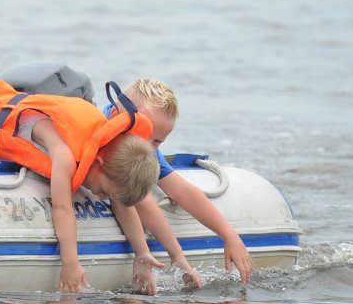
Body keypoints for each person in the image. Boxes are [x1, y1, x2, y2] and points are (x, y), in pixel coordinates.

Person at [0, 79, 163, 294]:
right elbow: (62, 208)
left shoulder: (111, 156)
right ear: (99, 164)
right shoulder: (64, 155)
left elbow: (120, 202)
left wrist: (142, 252)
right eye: (103, 191)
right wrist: (71, 264)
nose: (100, 198)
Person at [107, 78, 254, 285]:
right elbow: (135, 199)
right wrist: (168, 255)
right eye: (145, 135)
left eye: (158, 141)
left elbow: (182, 192)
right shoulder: (109, 133)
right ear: (120, 116)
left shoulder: (146, 147)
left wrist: (229, 235)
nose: (149, 148)